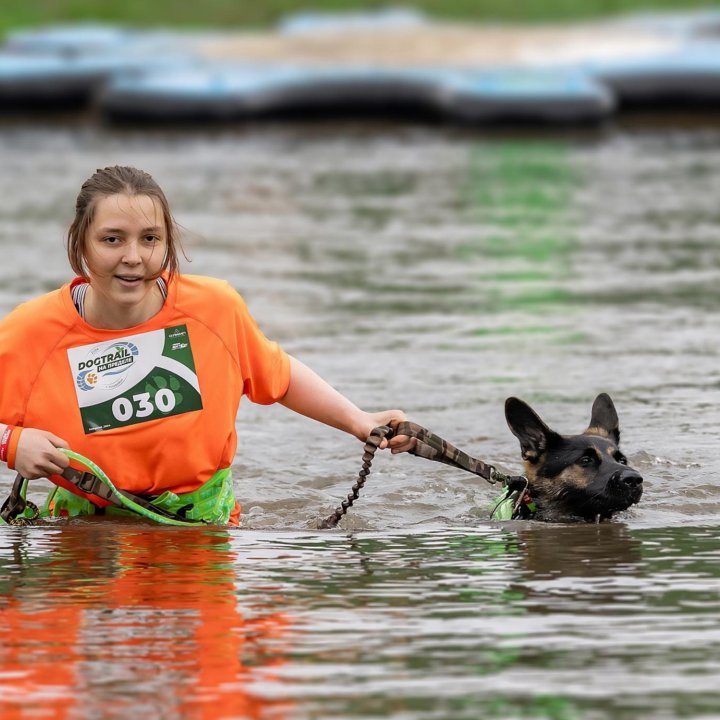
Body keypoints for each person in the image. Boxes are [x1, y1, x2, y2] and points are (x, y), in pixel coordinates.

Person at [0, 166, 412, 525]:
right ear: (79, 240)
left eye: (149, 239)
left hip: (203, 531)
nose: (133, 257)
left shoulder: (214, 309)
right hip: (84, 539)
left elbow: (278, 376)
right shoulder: (30, 332)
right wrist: (11, 444)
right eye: (111, 240)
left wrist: (359, 420)